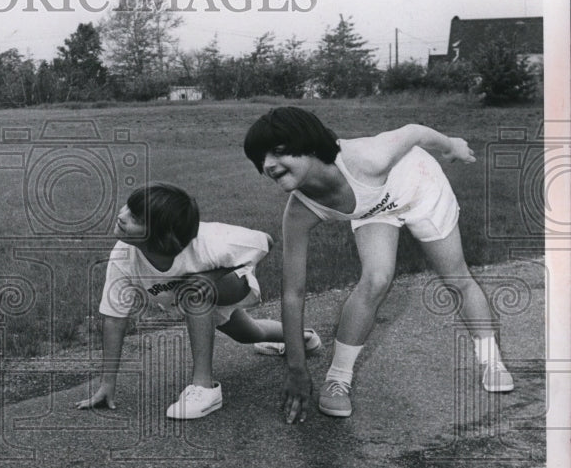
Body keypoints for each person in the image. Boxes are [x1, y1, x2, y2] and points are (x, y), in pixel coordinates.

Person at [242, 106, 514, 425]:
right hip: (375, 208)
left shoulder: (368, 159)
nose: (269, 165)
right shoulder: (299, 212)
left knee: (456, 277)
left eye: (277, 152)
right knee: (375, 280)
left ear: (309, 143)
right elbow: (292, 294)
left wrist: (451, 146)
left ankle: (491, 361)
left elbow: (414, 131)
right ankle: (338, 378)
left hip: (418, 187)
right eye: (261, 159)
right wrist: (297, 371)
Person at [75, 183, 321, 419]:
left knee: (193, 289)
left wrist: (212, 277)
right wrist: (107, 383)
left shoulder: (209, 241)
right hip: (192, 301)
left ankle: (205, 388)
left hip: (231, 283)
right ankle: (303, 338)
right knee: (249, 333)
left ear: (163, 236)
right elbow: (115, 319)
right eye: (128, 207)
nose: (122, 215)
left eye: (136, 218)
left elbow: (265, 240)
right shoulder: (123, 256)